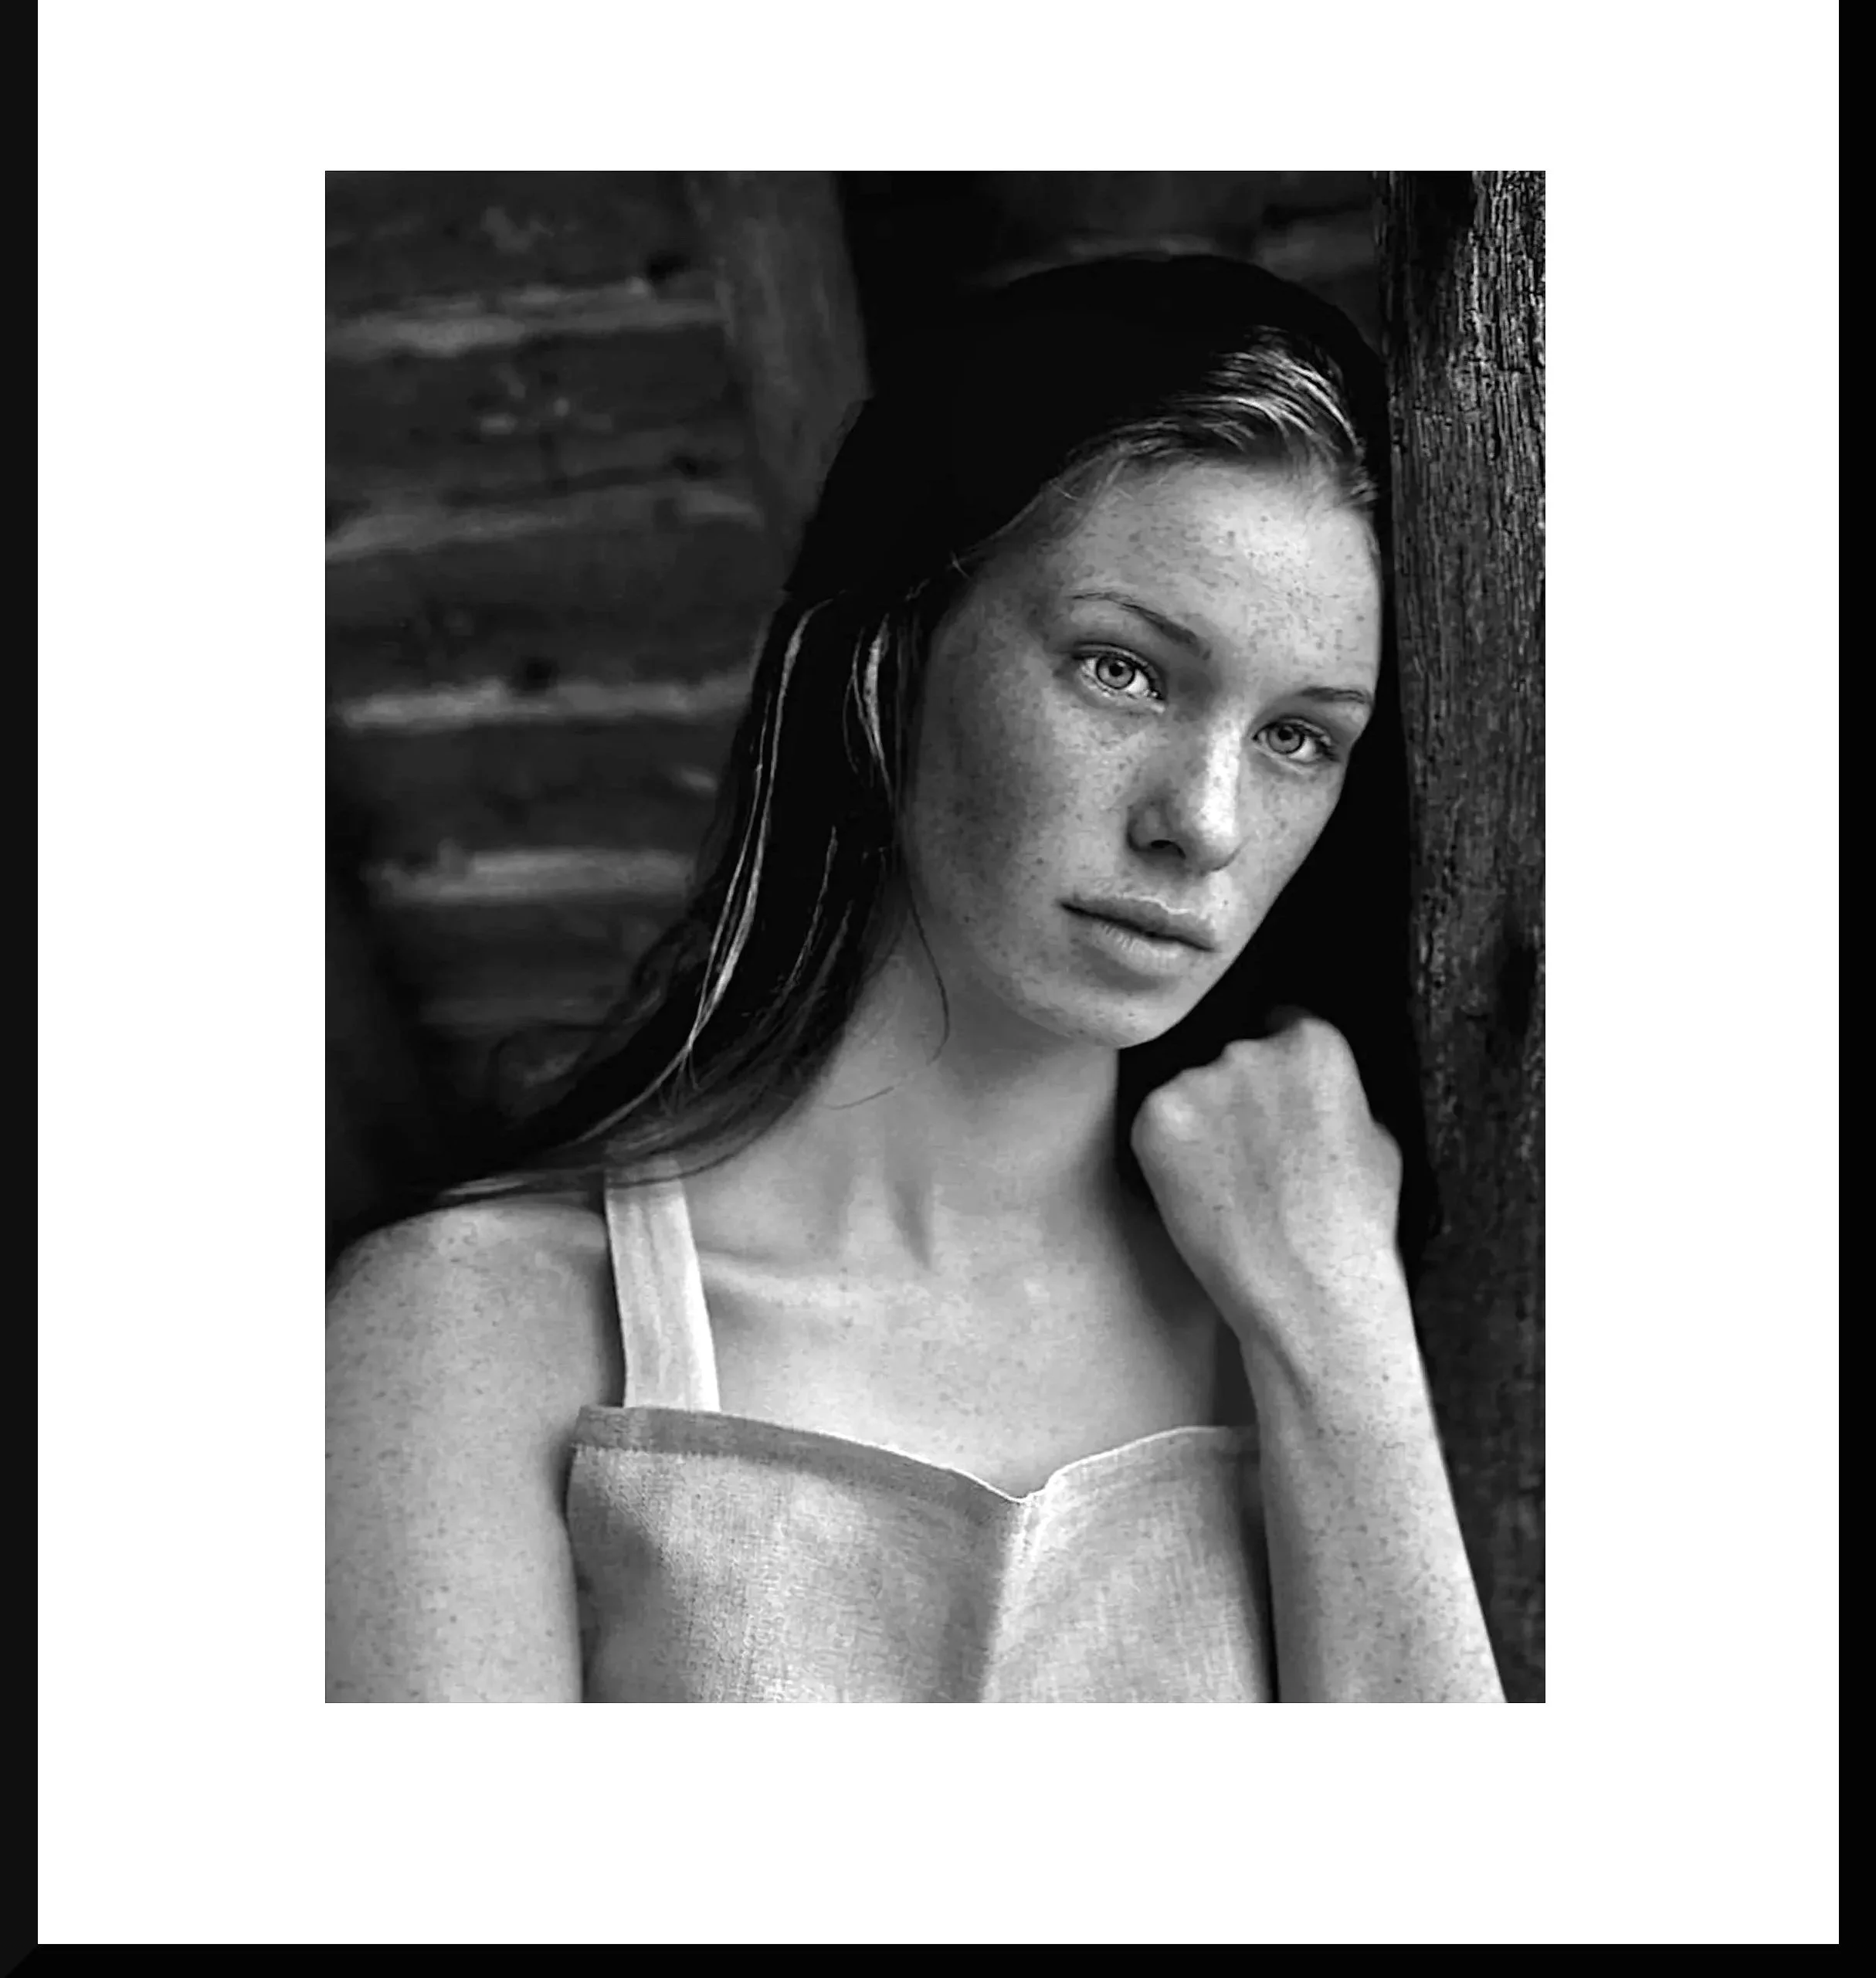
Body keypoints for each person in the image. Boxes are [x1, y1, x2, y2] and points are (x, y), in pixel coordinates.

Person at [325, 249, 1505, 1703]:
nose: (1201, 821)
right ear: (888, 656)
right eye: (1121, 669)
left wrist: (1337, 1327)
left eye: (1297, 737)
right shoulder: (472, 1329)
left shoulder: (1348, 1323)